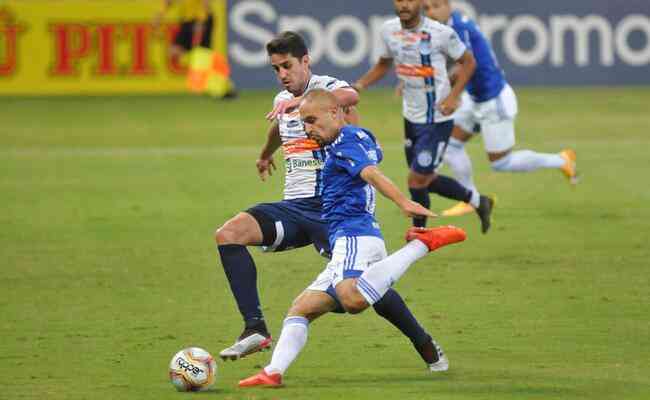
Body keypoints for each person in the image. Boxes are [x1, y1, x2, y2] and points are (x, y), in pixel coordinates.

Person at [215, 31, 450, 371]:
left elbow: (350, 94)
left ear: (305, 61)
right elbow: (279, 127)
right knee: (229, 234)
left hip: (332, 210)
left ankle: (423, 342)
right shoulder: (283, 101)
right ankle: (255, 328)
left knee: (363, 290)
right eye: (276, 68)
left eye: (288, 66)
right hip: (295, 207)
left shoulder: (327, 90)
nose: (282, 74)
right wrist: (265, 154)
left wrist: (302, 102)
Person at [238, 89, 467, 388]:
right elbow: (374, 154)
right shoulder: (358, 138)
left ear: (335, 113)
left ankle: (421, 245)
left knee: (353, 299)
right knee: (302, 308)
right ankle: (273, 372)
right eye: (304, 123)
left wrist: (403, 202)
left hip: (353, 233)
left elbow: (371, 172)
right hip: (355, 237)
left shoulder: (345, 142)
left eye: (311, 120)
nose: (307, 129)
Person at [423, 0, 578, 217]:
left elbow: (468, 64)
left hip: (493, 100)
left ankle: (561, 160)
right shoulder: (448, 25)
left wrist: (452, 96)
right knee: (451, 145)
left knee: (501, 163)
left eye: (436, 5)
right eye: (427, 7)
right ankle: (470, 198)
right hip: (475, 99)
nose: (431, 11)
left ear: (448, 5)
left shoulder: (458, 28)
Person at [353, 0, 494, 233]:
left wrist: (453, 96)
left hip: (437, 119)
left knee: (415, 180)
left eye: (410, 0)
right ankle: (480, 202)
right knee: (425, 180)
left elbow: (469, 62)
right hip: (411, 117)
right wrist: (359, 85)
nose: (404, 5)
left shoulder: (441, 33)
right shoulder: (388, 30)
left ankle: (419, 234)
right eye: (399, 0)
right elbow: (383, 63)